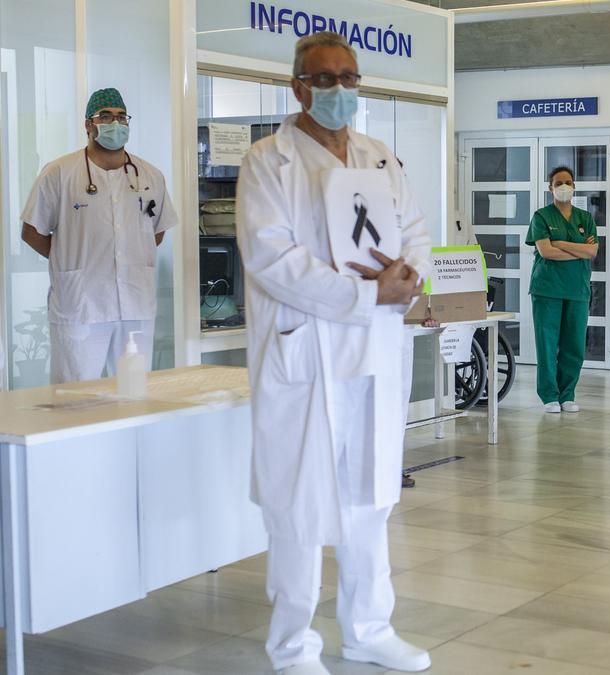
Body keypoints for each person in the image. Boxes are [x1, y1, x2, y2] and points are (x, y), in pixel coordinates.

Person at [235, 32, 432, 675]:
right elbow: (272, 259)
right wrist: (363, 294)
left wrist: (404, 286)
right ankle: (292, 647)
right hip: (307, 354)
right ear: (297, 86)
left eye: (349, 78)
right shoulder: (269, 161)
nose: (339, 90)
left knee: (370, 497)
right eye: (324, 79)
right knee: (298, 504)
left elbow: (417, 235)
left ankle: (369, 628)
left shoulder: (379, 158)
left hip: (374, 352)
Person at [20, 87, 178, 384]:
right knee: (75, 398)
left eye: (121, 117)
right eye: (105, 116)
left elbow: (155, 233)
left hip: (135, 303)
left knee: (134, 394)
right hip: (81, 303)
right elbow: (32, 232)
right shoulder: (59, 173)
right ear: (88, 124)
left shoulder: (150, 175)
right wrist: (70, 257)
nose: (115, 123)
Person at [526, 166, 597, 414]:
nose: (564, 186)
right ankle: (549, 396)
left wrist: (561, 244)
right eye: (558, 183)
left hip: (577, 289)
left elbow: (592, 252)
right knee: (547, 344)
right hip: (547, 289)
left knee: (574, 345)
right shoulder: (542, 216)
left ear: (574, 186)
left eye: (568, 182)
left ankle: (567, 394)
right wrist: (578, 251)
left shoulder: (584, 218)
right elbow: (546, 251)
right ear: (550, 188)